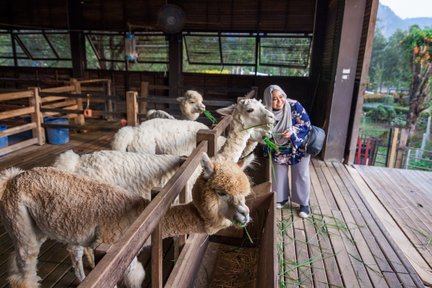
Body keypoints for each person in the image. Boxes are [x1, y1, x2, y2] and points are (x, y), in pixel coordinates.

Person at [263, 84, 311, 218]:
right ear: (268, 100)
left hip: (298, 145)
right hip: (279, 147)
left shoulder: (294, 105)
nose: (279, 101)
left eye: (281, 96)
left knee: (301, 174)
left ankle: (303, 203)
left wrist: (292, 131)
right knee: (278, 174)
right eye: (274, 99)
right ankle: (281, 198)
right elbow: (261, 130)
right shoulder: (265, 112)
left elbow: (306, 124)